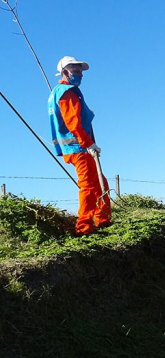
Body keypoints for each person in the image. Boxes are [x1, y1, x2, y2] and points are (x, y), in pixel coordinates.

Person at [48, 56, 111, 235]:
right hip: (78, 146)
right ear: (64, 72)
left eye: (80, 71)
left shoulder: (56, 92)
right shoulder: (67, 92)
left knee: (101, 183)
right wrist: (89, 143)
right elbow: (73, 123)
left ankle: (103, 219)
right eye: (75, 70)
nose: (80, 74)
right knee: (89, 186)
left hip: (74, 146)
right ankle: (83, 227)